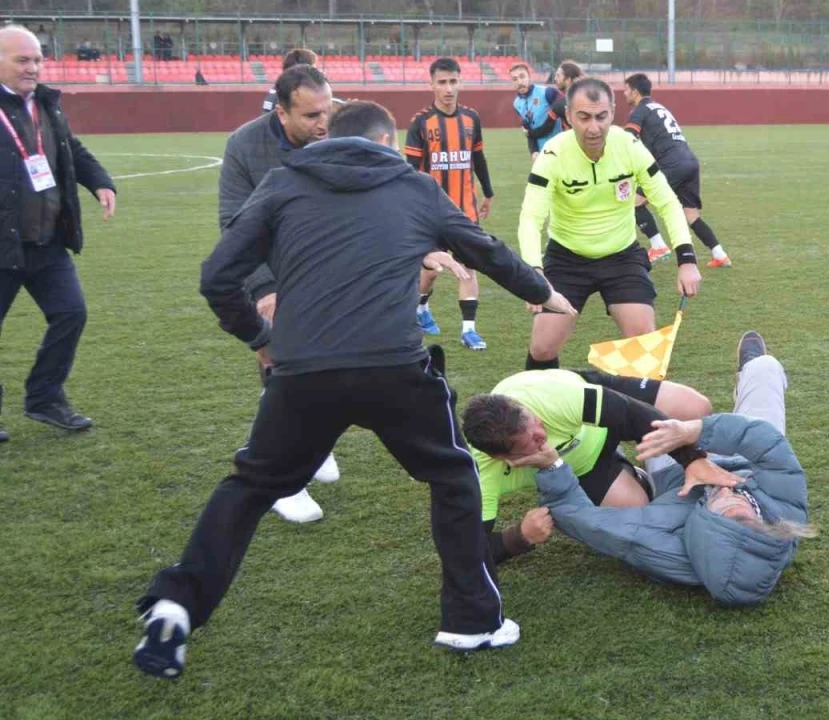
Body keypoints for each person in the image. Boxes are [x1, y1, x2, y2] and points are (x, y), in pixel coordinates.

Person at [131, 100, 577, 680]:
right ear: (387, 142)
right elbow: (484, 250)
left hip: (302, 373)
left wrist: (259, 338)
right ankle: (471, 620)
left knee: (250, 486)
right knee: (452, 475)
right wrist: (543, 293)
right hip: (394, 367)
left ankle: (178, 604)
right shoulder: (413, 186)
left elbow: (216, 276)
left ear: (325, 139)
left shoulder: (283, 182)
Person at [529, 331, 814, 605]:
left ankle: (585, 395)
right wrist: (695, 431)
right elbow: (768, 444)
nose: (727, 490)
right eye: (743, 502)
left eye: (721, 502)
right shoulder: (783, 513)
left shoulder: (665, 548)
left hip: (676, 478)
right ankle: (748, 372)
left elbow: (584, 520)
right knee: (765, 367)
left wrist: (552, 467)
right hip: (744, 458)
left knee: (642, 423)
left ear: (704, 524)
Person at [518, 77, 702, 372]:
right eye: (584, 117)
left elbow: (667, 201)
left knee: (643, 344)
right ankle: (541, 397)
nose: (594, 127)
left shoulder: (629, 146)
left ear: (613, 113)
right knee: (542, 348)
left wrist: (687, 259)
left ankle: (637, 402)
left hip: (621, 257)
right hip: (566, 258)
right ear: (569, 116)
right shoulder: (553, 154)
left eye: (601, 116)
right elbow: (531, 217)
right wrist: (533, 272)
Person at [221, 64, 338, 522]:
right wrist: (265, 288)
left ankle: (313, 444)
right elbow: (235, 225)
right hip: (274, 274)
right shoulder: (245, 145)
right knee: (283, 368)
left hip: (332, 270)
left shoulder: (338, 134)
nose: (323, 123)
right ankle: (281, 479)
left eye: (327, 111)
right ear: (281, 112)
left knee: (332, 368)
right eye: (311, 115)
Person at [460, 368, 713, 565]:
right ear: (502, 458)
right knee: (634, 514)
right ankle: (632, 472)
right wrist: (517, 537)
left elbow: (631, 415)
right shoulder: (481, 476)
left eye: (535, 421)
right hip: (585, 466)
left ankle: (655, 457)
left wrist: (693, 460)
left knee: (694, 407)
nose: (541, 433)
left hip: (601, 410)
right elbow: (465, 552)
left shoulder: (553, 398)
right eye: (533, 441)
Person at [0, 25, 116, 442]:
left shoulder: (46, 104)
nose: (33, 68)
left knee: (71, 313)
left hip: (47, 241)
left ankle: (45, 398)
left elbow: (71, 149)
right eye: (22, 60)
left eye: (37, 60)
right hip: (3, 244)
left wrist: (100, 182)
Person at [405, 57, 493, 350]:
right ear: (431, 84)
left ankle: (469, 330)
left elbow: (478, 158)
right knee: (431, 270)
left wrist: (488, 192)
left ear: (460, 82)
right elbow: (410, 171)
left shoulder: (471, 119)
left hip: (465, 210)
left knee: (469, 267)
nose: (448, 88)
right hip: (430, 213)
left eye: (453, 81)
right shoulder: (420, 122)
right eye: (442, 82)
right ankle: (420, 308)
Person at [623, 74, 731, 268]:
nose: (624, 93)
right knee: (691, 215)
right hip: (689, 162)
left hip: (671, 164)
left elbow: (628, 139)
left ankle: (658, 246)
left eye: (626, 89)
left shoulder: (639, 111)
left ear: (635, 91)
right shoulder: (659, 107)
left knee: (634, 203)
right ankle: (720, 254)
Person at [510, 62, 562, 162]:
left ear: (529, 76)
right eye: (514, 79)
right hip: (540, 155)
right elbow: (528, 131)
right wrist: (533, 151)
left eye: (522, 76)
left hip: (559, 150)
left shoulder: (547, 93)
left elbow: (567, 117)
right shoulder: (517, 104)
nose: (519, 82)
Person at [525, 60, 580, 146]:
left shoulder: (559, 106)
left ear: (568, 80)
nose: (555, 79)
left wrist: (529, 133)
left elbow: (546, 128)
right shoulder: (590, 98)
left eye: (558, 75)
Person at [261, 48, 317, 114]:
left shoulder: (281, 88)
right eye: (313, 69)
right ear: (302, 70)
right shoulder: (290, 94)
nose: (316, 72)